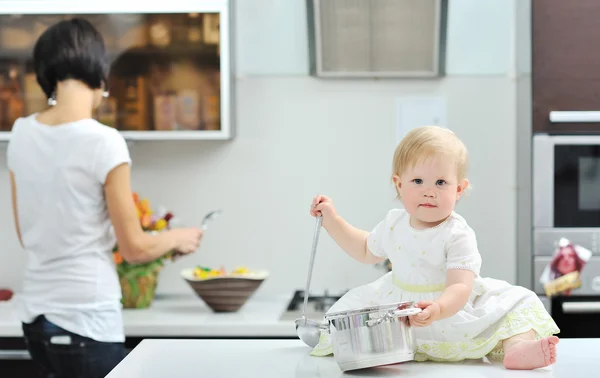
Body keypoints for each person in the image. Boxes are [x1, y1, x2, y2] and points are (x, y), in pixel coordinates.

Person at [7, 18, 203, 378]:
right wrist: (178, 236)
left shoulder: (20, 133)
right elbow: (135, 249)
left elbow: (27, 233)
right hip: (87, 321)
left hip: (35, 320)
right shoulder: (103, 141)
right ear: (100, 74)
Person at [308, 126, 560, 370]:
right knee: (352, 315)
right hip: (400, 311)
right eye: (417, 180)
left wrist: (439, 308)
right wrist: (332, 220)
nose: (428, 192)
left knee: (519, 300)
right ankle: (384, 351)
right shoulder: (394, 223)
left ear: (458, 189)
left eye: (441, 182)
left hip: (447, 309)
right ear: (399, 184)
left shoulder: (457, 233)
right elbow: (364, 249)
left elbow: (460, 286)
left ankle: (517, 348)